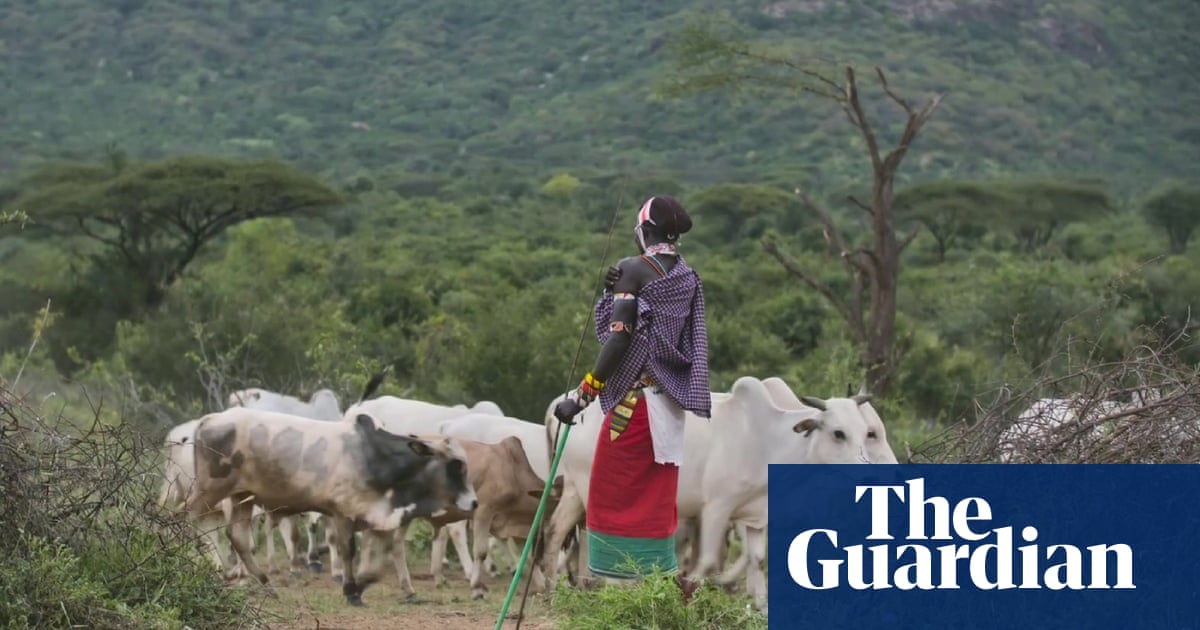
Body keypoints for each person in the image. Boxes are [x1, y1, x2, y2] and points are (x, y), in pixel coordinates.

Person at [553, 194, 711, 593]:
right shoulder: (688, 277)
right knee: (656, 498)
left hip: (634, 406)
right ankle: (661, 584)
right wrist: (615, 291)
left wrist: (583, 396)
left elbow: (621, 339)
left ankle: (623, 590)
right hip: (669, 409)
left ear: (644, 231)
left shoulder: (632, 269)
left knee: (609, 494)